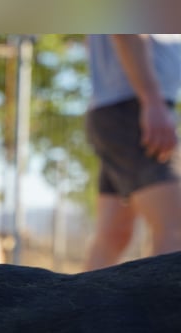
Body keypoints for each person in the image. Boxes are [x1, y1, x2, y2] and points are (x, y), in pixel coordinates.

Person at [84, 34, 181, 271]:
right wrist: (152, 101)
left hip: (119, 107)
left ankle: (72, 308)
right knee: (175, 230)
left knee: (113, 235)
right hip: (135, 106)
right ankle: (161, 309)